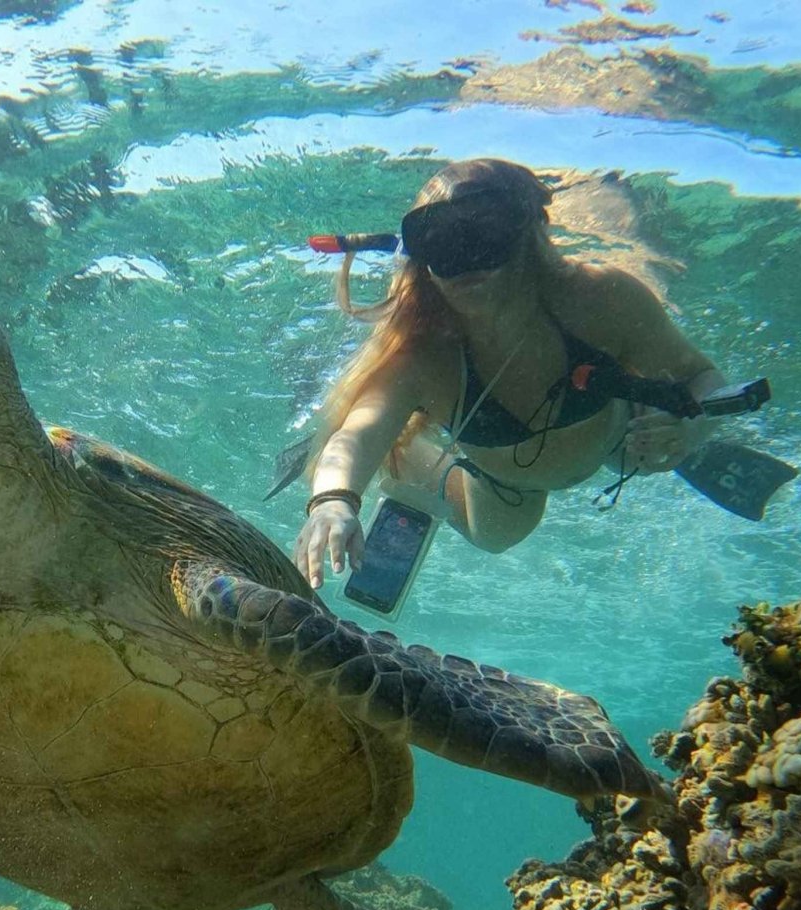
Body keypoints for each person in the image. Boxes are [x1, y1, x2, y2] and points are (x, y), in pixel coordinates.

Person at [293, 158, 729, 590]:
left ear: (530, 234)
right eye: (441, 240)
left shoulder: (601, 300)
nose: (466, 260)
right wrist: (332, 501)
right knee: (496, 537)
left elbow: (704, 377)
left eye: (485, 231)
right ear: (421, 258)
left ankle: (651, 416)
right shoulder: (424, 355)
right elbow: (358, 435)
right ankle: (406, 457)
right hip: (506, 486)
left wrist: (693, 424)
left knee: (648, 455)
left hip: (617, 441)